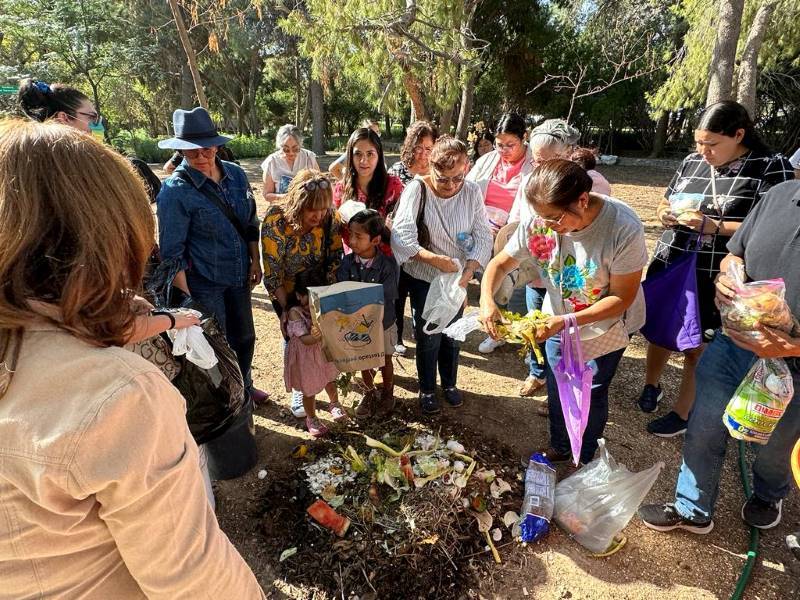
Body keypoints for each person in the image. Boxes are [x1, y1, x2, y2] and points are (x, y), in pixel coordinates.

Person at [0, 119, 264, 597]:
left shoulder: (237, 177)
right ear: (109, 236)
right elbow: (197, 582)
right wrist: (179, 310)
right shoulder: (122, 396)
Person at [639, 178, 800, 534]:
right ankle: (691, 507)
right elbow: (734, 253)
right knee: (704, 426)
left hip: (794, 365)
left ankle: (767, 495)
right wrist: (726, 277)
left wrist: (793, 347)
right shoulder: (779, 196)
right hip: (733, 343)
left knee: (776, 444)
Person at [640, 101, 795, 437]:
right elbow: (666, 199)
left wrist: (716, 226)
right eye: (699, 143)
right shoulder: (692, 161)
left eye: (712, 144)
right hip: (674, 259)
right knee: (660, 326)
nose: (703, 151)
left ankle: (683, 413)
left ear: (739, 135)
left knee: (699, 344)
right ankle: (651, 384)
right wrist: (665, 213)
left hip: (719, 273)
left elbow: (774, 227)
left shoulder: (769, 166)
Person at [479, 159, 648, 465]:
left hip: (606, 325)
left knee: (591, 390)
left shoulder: (623, 227)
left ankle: (583, 456)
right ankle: (560, 443)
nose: (547, 226)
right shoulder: (540, 220)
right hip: (555, 318)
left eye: (555, 218)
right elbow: (500, 263)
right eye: (542, 217)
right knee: (559, 382)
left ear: (582, 201)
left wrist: (565, 321)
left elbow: (622, 297)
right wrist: (486, 300)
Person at [157, 107, 268, 408]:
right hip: (204, 284)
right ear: (180, 150)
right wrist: (188, 299)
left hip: (239, 276)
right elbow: (171, 252)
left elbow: (250, 222)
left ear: (217, 145)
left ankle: (245, 384)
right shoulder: (174, 191)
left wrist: (255, 261)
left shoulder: (236, 175)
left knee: (244, 337)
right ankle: (229, 400)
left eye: (206, 149)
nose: (201, 157)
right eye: (191, 152)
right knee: (217, 346)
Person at [391, 136, 493, 414]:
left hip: (456, 276)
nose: (450, 186)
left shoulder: (471, 192)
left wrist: (469, 270)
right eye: (443, 179)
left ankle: (449, 383)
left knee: (452, 333)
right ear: (430, 167)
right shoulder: (417, 189)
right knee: (429, 334)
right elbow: (402, 235)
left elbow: (483, 234)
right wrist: (434, 259)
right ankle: (426, 388)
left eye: (457, 178)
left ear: (467, 168)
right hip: (425, 274)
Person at [505, 119, 584, 396]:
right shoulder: (529, 181)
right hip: (534, 270)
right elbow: (517, 220)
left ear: (569, 154)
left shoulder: (587, 185)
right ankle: (537, 374)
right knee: (534, 325)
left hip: (569, 277)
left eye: (551, 161)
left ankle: (559, 387)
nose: (543, 169)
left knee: (563, 335)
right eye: (537, 162)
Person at [261, 169, 343, 418]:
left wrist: (324, 302)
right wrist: (290, 310)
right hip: (287, 291)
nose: (318, 215)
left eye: (323, 208)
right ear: (298, 204)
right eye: (312, 210)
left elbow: (334, 260)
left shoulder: (330, 218)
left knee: (322, 343)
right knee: (296, 340)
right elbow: (272, 271)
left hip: (319, 289)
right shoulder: (276, 219)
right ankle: (301, 386)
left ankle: (330, 391)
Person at [17, 78, 162, 203]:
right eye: (91, 117)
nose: (98, 125)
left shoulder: (21, 169)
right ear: (64, 118)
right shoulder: (97, 172)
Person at [336, 207, 400, 418]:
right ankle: (370, 392)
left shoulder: (388, 266)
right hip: (359, 325)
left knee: (385, 359)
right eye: (350, 234)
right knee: (364, 358)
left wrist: (360, 299)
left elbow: (388, 294)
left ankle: (388, 393)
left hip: (384, 322)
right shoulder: (347, 262)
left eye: (358, 236)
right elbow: (342, 288)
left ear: (375, 240)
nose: (352, 241)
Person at [387, 120, 438, 354]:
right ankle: (397, 337)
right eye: (419, 146)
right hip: (399, 242)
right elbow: (389, 205)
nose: (424, 153)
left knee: (421, 294)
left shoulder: (436, 173)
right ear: (410, 146)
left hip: (427, 245)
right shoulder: (397, 170)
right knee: (398, 294)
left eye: (429, 148)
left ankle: (421, 333)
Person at [283, 269, 345, 437]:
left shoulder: (321, 306)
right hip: (306, 357)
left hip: (321, 351)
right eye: (308, 301)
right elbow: (305, 340)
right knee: (309, 388)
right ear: (298, 295)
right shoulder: (295, 312)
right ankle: (311, 418)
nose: (312, 305)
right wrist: (317, 335)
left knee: (329, 379)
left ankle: (334, 403)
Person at [332, 127, 404, 255]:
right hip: (351, 265)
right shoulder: (341, 189)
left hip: (386, 265)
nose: (363, 161)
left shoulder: (393, 186)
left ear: (379, 155)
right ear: (350, 156)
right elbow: (335, 231)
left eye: (370, 154)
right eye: (358, 154)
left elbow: (401, 230)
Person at [262, 124, 319, 202]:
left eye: (295, 149)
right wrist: (289, 197)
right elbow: (267, 195)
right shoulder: (272, 161)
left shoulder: (309, 157)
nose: (291, 153)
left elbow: (320, 185)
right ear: (280, 146)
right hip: (281, 208)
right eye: (286, 149)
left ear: (300, 145)